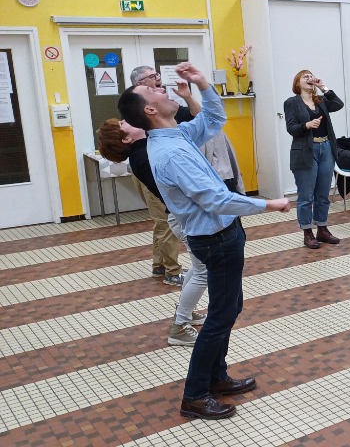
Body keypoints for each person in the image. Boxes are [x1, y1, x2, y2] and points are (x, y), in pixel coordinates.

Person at [118, 62, 291, 420]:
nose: (160, 87)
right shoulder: (170, 152)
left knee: (229, 309)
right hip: (215, 239)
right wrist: (268, 204)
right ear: (149, 110)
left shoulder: (175, 135)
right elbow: (214, 198)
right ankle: (195, 395)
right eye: (152, 90)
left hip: (223, 234)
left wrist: (204, 85)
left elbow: (213, 121)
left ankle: (217, 376)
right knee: (218, 317)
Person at [96, 119, 208, 347]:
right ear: (126, 138)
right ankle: (179, 327)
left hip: (180, 217)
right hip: (184, 218)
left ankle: (185, 312)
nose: (127, 119)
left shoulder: (144, 150)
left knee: (199, 269)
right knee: (204, 272)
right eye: (122, 123)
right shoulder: (143, 156)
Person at [127, 65, 196, 286]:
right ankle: (172, 271)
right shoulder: (135, 109)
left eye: (157, 75)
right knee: (166, 219)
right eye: (152, 77)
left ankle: (160, 264)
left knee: (161, 220)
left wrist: (188, 96)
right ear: (139, 85)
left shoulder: (164, 105)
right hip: (150, 169)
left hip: (157, 167)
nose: (158, 79)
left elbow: (194, 115)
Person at [283, 70, 345, 249]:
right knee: (306, 196)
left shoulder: (321, 101)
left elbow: (338, 104)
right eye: (305, 77)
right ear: (297, 83)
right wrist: (307, 125)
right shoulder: (292, 102)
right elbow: (291, 128)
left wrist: (322, 87)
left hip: (326, 148)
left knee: (323, 194)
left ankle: (322, 229)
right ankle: (307, 232)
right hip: (305, 151)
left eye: (311, 76)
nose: (309, 79)